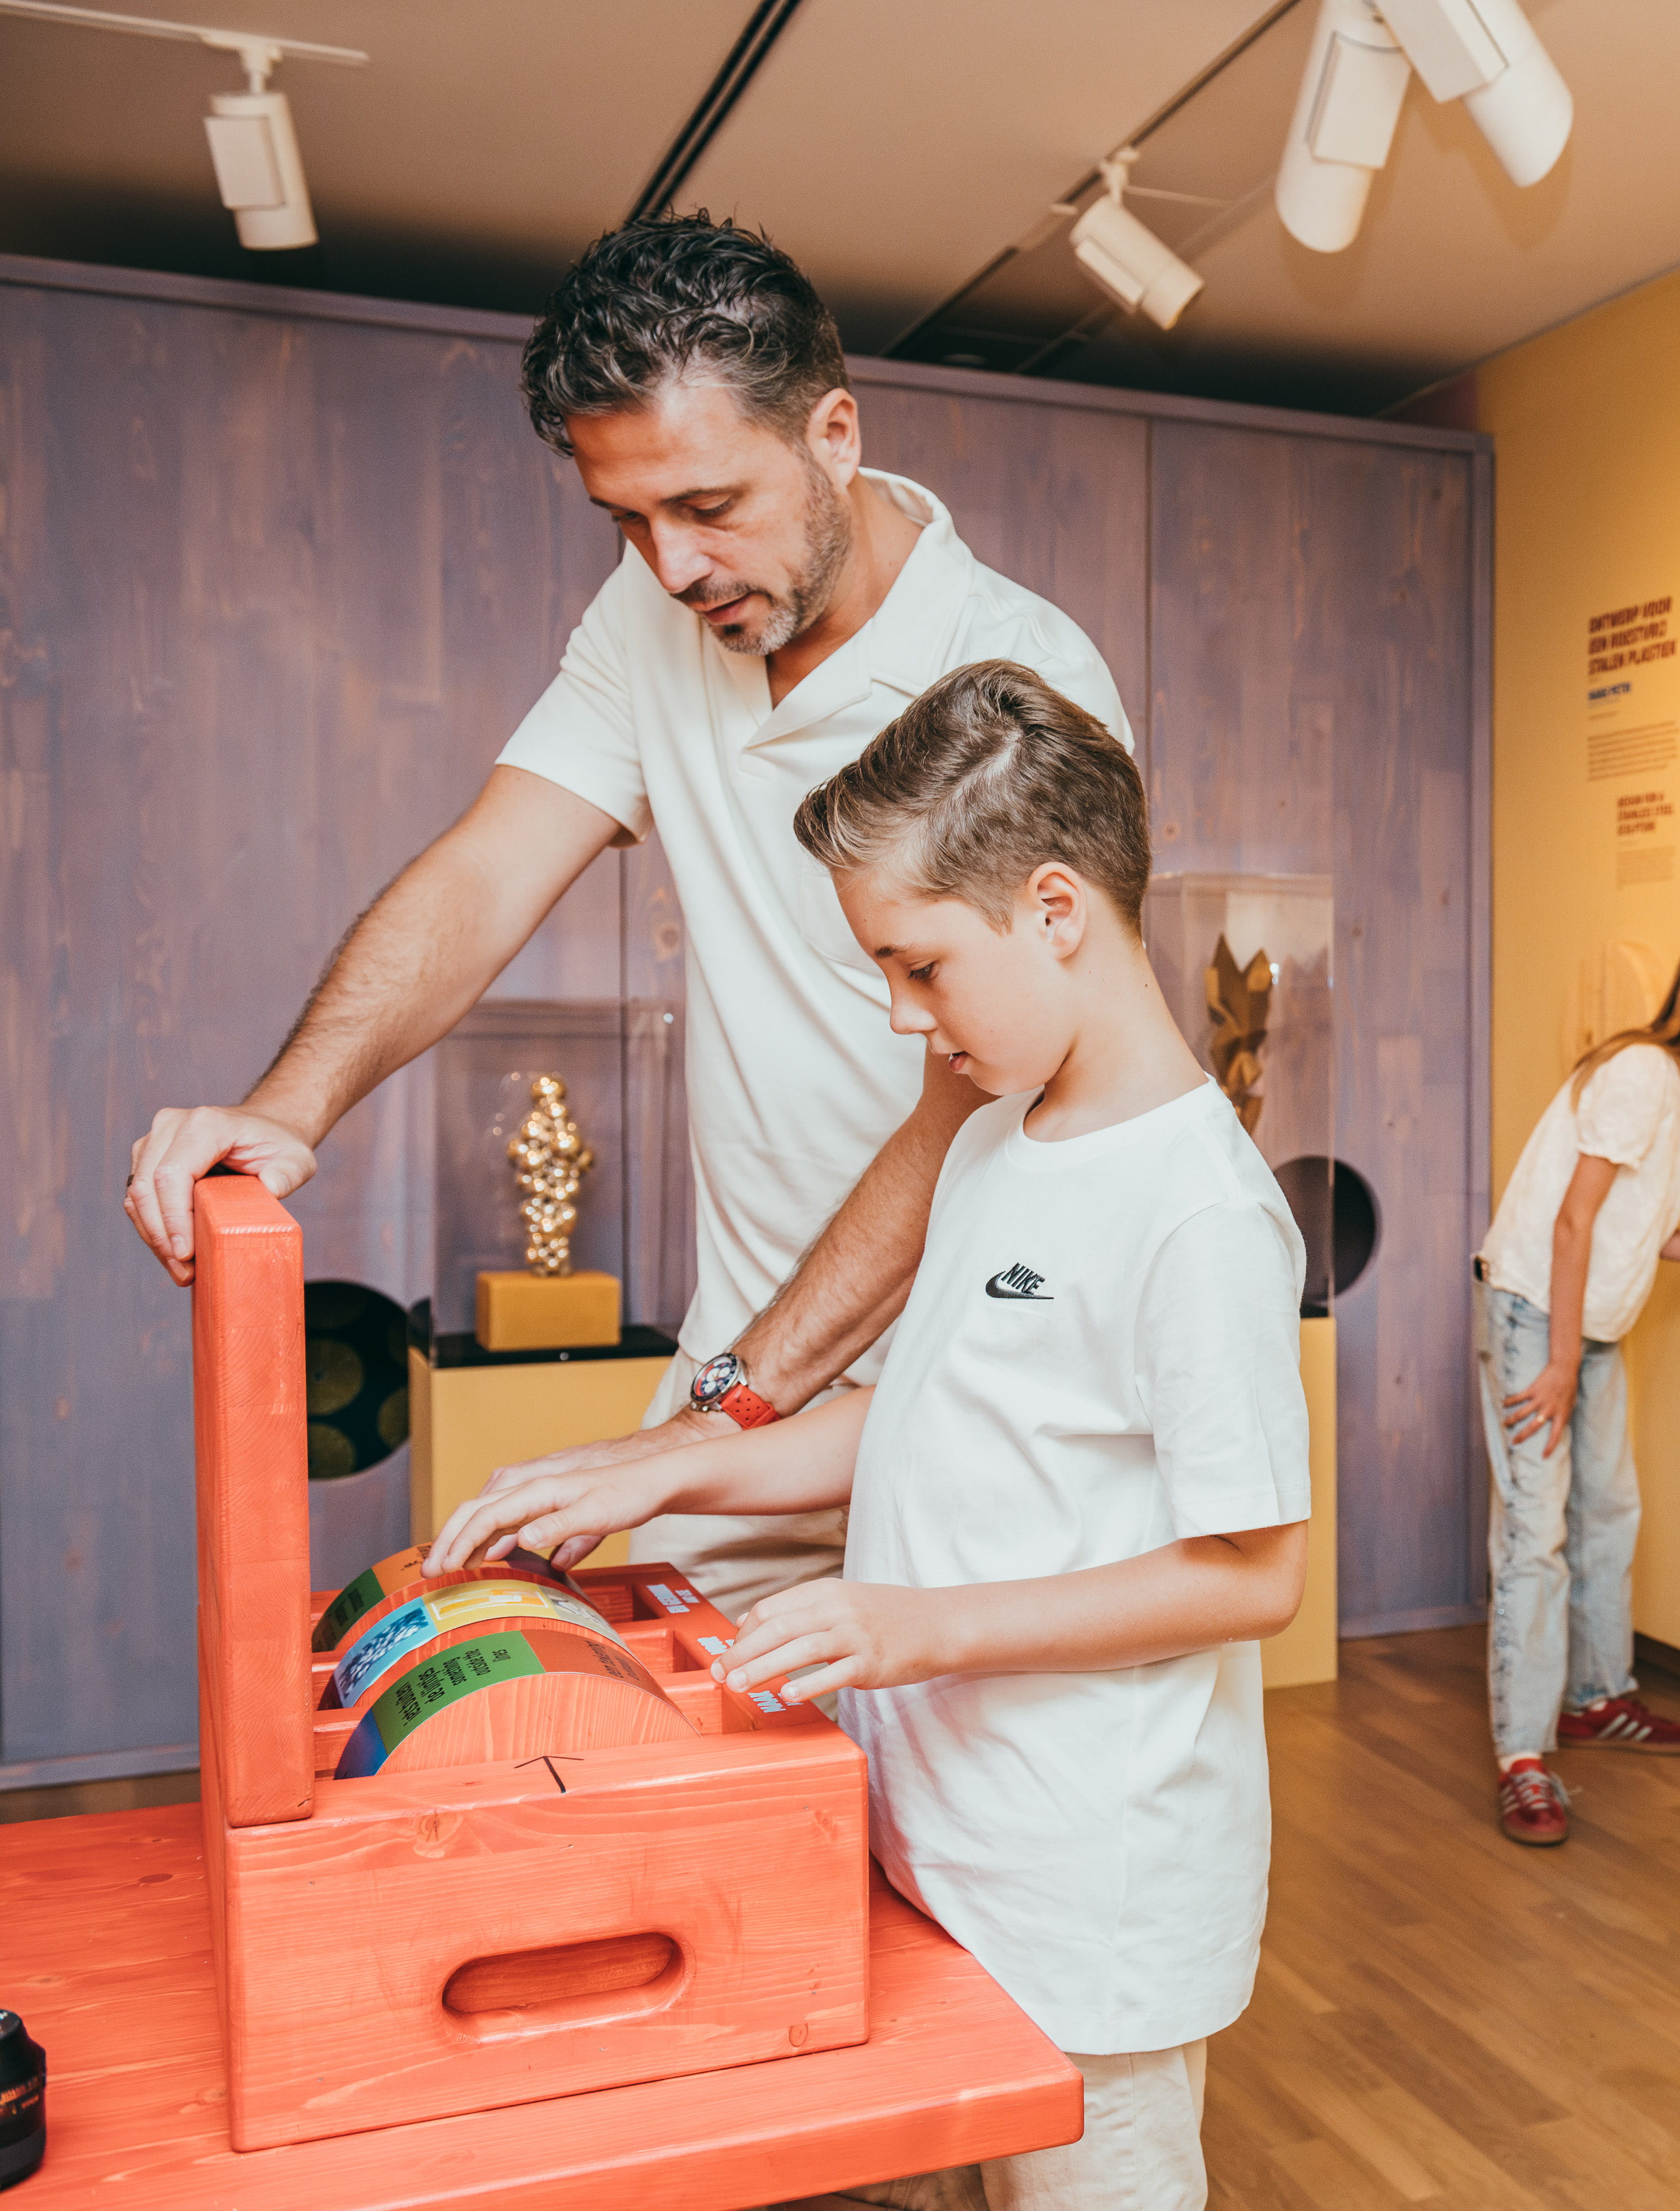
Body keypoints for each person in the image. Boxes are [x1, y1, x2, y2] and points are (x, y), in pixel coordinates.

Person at [123, 217, 1130, 1619]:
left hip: (971, 1386)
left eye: (710, 506)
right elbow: (487, 870)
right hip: (751, 1378)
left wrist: (718, 1420)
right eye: (626, 520)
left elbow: (969, 1092)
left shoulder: (1020, 681)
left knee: (937, 1826)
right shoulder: (655, 612)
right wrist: (291, 1107)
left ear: (835, 431)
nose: (670, 567)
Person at [429, 660, 1307, 2211]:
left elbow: (1252, 1578)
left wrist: (912, 1627)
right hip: (943, 1831)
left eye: (920, 968)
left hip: (1088, 1888)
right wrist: (659, 1466)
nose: (906, 1018)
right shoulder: (990, 1142)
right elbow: (922, 1419)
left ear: (1054, 910)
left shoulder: (1200, 1211)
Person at [1474, 920, 1680, 1847]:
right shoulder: (1643, 1074)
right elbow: (1573, 1225)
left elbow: (1632, 1230)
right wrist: (1563, 1361)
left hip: (1590, 1325)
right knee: (1536, 1535)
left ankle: (1597, 1698)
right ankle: (1522, 1760)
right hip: (1537, 1315)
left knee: (1610, 1510)